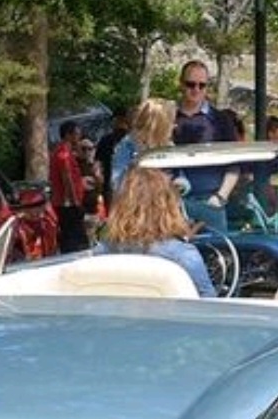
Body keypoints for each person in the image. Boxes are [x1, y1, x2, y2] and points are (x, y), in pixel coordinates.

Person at [98, 166, 215, 297]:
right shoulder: (183, 255)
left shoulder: (105, 249)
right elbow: (208, 303)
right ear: (169, 205)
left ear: (120, 206)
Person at [171, 61, 239, 232]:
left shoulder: (221, 120)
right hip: (173, 203)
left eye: (202, 85)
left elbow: (235, 164)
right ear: (181, 84)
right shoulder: (167, 118)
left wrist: (220, 197)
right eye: (190, 84)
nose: (196, 89)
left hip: (212, 202)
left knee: (220, 255)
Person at [109, 97, 176, 197]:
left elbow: (177, 173)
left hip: (163, 202)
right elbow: (117, 182)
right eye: (170, 122)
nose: (174, 125)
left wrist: (180, 183)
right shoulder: (128, 145)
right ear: (158, 125)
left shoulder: (168, 146)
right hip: (134, 204)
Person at [50, 120, 91, 253]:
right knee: (74, 237)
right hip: (67, 204)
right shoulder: (64, 154)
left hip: (68, 202)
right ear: (68, 135)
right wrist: (75, 202)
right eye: (76, 134)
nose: (79, 137)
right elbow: (67, 179)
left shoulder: (67, 151)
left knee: (74, 235)